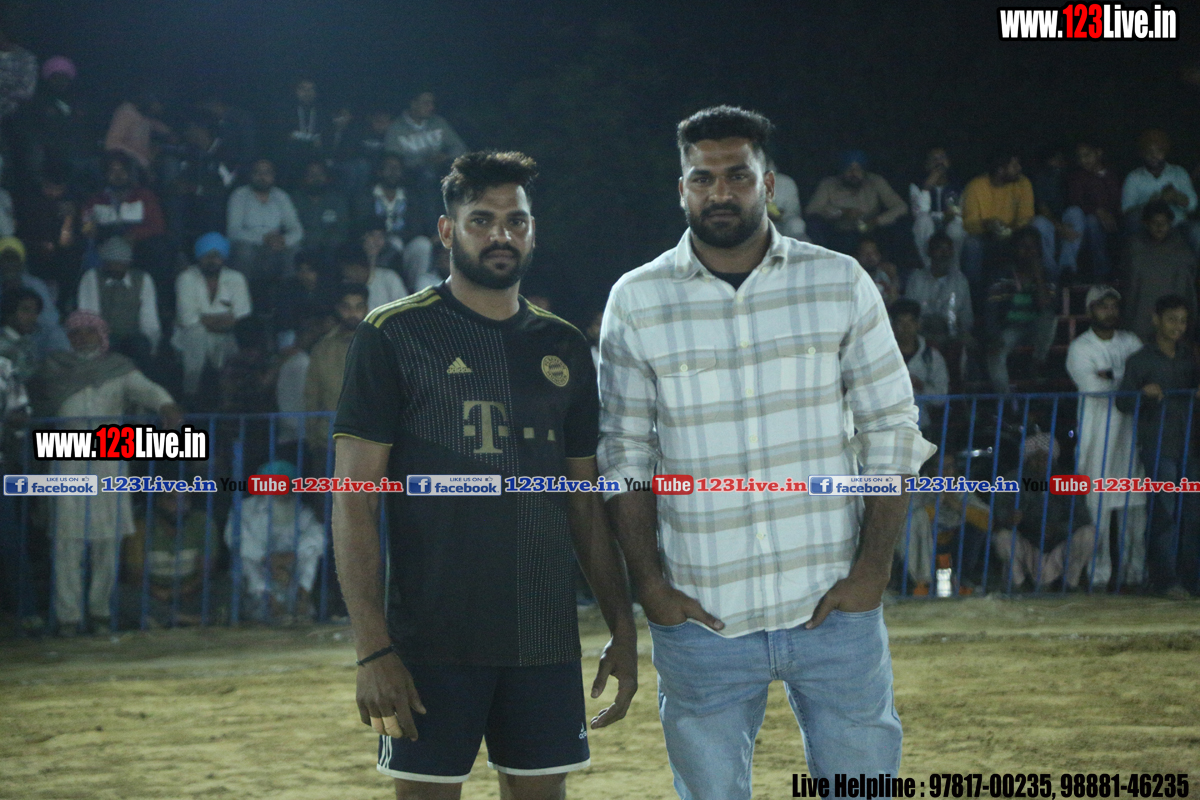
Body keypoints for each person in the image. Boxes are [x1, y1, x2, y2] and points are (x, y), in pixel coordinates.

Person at [599, 106, 934, 797]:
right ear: (682, 188)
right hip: (701, 617)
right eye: (703, 178)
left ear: (769, 184)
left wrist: (872, 572)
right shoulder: (636, 300)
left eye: (738, 176)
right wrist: (651, 588)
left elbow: (891, 431)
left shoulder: (839, 282)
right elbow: (625, 457)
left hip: (833, 606)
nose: (720, 192)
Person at [332, 150, 636, 797]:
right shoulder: (393, 334)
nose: (501, 235)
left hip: (545, 637)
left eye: (515, 221)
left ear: (532, 230)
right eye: (482, 220)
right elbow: (355, 500)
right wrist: (373, 649)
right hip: (431, 641)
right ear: (448, 231)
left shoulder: (564, 346)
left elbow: (583, 503)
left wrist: (623, 625)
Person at [30, 310, 181, 633]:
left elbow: (148, 390)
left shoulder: (119, 369)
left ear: (101, 334)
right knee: (66, 541)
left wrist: (166, 405)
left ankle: (100, 612)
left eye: (89, 331)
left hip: (108, 457)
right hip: (66, 456)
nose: (82, 337)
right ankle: (69, 617)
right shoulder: (54, 368)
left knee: (107, 540)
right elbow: (34, 401)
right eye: (75, 333)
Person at [1116, 295, 1200, 598]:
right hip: (1159, 444)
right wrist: (1142, 394)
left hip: (1190, 445)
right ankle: (1165, 580)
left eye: (1183, 320)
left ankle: (1191, 579)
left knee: (1192, 513)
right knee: (1165, 512)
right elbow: (1123, 402)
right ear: (1156, 320)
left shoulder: (1190, 359)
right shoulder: (1140, 360)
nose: (1178, 326)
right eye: (1172, 319)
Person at [1065, 286, 1147, 589]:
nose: (1109, 311)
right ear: (1090, 310)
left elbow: (1144, 377)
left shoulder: (1131, 341)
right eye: (1103, 306)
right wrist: (1127, 380)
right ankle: (1098, 577)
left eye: (1114, 306)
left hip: (1130, 437)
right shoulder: (1080, 348)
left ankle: (1134, 575)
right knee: (1097, 509)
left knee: (1134, 512)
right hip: (1097, 439)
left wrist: (1111, 376)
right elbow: (1092, 387)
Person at [991, 434, 1097, 591]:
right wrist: (1010, 518)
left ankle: (1069, 583)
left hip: (1058, 549)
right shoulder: (1011, 480)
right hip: (1028, 547)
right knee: (1003, 538)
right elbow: (999, 514)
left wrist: (1058, 529)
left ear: (1053, 459)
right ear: (1027, 460)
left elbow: (1082, 518)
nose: (1041, 463)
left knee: (1089, 534)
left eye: (1045, 458)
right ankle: (1020, 585)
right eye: (1035, 458)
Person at [225, 459, 325, 621]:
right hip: (258, 569)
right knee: (245, 559)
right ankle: (268, 601)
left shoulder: (302, 511)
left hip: (290, 570)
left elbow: (317, 537)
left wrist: (291, 557)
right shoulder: (245, 509)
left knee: (311, 555)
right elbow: (236, 539)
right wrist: (266, 559)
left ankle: (302, 598)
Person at [172, 232, 252, 401]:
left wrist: (204, 319)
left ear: (223, 258)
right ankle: (190, 395)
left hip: (226, 336)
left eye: (216, 256)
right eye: (207, 255)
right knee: (196, 333)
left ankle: (229, 399)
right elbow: (187, 319)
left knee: (236, 338)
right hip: (191, 339)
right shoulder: (186, 278)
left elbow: (242, 318)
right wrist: (225, 319)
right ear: (199, 257)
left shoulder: (236, 278)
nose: (212, 260)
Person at [984, 227, 1058, 395]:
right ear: (1015, 249)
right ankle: (1006, 403)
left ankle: (1037, 364)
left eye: (1033, 247)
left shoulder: (1047, 275)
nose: (1028, 251)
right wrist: (994, 336)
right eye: (1023, 246)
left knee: (1049, 317)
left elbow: (1047, 307)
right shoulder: (1002, 275)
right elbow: (991, 310)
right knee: (994, 355)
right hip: (1010, 328)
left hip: (1036, 328)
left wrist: (1038, 277)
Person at [383, 91, 468, 237]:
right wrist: (423, 161)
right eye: (426, 103)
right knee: (427, 176)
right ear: (413, 104)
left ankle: (463, 226)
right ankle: (435, 232)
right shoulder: (396, 129)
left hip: (441, 169)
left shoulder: (438, 122)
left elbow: (460, 148)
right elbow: (392, 161)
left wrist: (446, 156)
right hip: (413, 174)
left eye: (432, 103)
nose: (431, 107)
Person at [75, 235, 160, 370]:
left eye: (121, 264)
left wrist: (152, 347)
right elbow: (89, 318)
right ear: (104, 263)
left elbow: (149, 320)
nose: (117, 268)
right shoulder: (91, 277)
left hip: (133, 337)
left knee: (141, 346)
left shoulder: (143, 279)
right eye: (113, 263)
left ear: (128, 263)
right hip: (102, 336)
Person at [226, 158, 304, 306]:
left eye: (267, 172)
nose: (262, 176)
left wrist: (284, 240)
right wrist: (264, 238)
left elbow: (296, 229)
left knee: (295, 249)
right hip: (250, 246)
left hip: (276, 246)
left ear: (273, 175)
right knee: (244, 251)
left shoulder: (281, 196)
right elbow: (233, 231)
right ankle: (241, 300)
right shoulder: (239, 195)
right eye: (258, 172)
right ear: (251, 175)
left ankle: (286, 301)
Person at [354, 154, 437, 290]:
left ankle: (416, 291)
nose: (393, 172)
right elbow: (361, 225)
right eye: (389, 168)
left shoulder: (411, 197)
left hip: (405, 244)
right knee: (393, 243)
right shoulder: (366, 196)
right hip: (378, 244)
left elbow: (418, 227)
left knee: (423, 244)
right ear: (379, 171)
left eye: (397, 168)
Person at [304, 282, 367, 460]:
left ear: (366, 308)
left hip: (371, 442)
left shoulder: (382, 345)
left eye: (359, 307)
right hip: (328, 442)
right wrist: (313, 440)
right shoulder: (322, 349)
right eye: (347, 307)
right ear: (338, 309)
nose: (353, 313)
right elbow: (312, 396)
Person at [961, 149, 1035, 299]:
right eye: (1014, 166)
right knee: (972, 244)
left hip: (1014, 233)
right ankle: (972, 294)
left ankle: (1040, 284)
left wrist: (1009, 229)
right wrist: (987, 224)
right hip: (984, 236)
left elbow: (1026, 217)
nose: (1019, 168)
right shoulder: (976, 186)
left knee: (1033, 233)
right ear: (1001, 170)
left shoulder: (1023, 183)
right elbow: (969, 224)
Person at [805, 149, 907, 254]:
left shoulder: (875, 181)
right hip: (840, 233)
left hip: (872, 231)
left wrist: (876, 221)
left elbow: (901, 207)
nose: (853, 173)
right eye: (849, 169)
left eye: (858, 169)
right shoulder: (828, 184)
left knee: (900, 227)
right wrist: (842, 212)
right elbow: (812, 211)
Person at [1124, 200, 1196, 343]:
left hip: (1174, 327)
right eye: (1154, 222)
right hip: (1140, 322)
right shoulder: (1135, 246)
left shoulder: (1181, 248)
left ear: (1170, 223)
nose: (1159, 227)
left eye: (1164, 223)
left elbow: (1188, 285)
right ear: (1146, 223)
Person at [1120, 129, 1197, 241]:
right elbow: (1127, 212)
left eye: (1158, 151)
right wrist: (1151, 203)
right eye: (1149, 152)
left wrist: (1176, 197)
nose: (1153, 156)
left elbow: (1193, 205)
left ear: (1165, 152)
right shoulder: (1133, 177)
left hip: (1177, 225)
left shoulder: (1178, 172)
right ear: (1142, 154)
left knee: (1196, 231)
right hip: (1146, 229)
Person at [904, 231, 973, 355]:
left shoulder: (960, 281)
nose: (944, 254)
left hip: (951, 338)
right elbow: (909, 313)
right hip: (922, 335)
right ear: (929, 252)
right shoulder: (916, 278)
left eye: (947, 250)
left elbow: (966, 317)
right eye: (939, 249)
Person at [0, 235, 70, 357]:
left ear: (21, 262)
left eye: (14, 259)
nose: (9, 264)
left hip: (35, 334)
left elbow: (50, 319)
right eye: (5, 259)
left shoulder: (35, 285)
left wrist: (29, 322)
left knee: (56, 334)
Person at [1064, 141, 1121, 280]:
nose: (1084, 160)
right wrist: (1097, 211)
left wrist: (1109, 214)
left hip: (1112, 221)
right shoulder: (1078, 177)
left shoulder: (1111, 174)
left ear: (1098, 153)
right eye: (1080, 157)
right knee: (1092, 221)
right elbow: (1076, 202)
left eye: (1087, 155)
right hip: (1087, 228)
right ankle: (1102, 273)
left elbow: (1117, 200)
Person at [891, 299, 948, 436]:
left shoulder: (931, 357)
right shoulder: (879, 355)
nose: (906, 328)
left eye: (910, 322)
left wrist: (920, 385)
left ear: (918, 324)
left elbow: (941, 398)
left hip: (920, 427)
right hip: (886, 428)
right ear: (892, 326)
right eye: (900, 322)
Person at [909, 146, 964, 268]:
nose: (939, 162)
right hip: (929, 226)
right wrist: (926, 188)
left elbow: (958, 214)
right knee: (923, 221)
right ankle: (929, 268)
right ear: (927, 165)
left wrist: (948, 217)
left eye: (942, 158)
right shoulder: (916, 185)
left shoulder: (957, 185)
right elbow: (919, 214)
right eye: (934, 159)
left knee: (957, 228)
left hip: (949, 224)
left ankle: (953, 269)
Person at [1029, 145, 1077, 283]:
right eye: (1055, 159)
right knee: (1039, 223)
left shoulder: (1068, 175)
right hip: (1048, 220)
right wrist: (1059, 227)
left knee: (1076, 213)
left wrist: (1064, 226)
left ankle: (1066, 268)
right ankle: (1051, 272)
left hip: (1064, 219)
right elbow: (1042, 208)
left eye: (1061, 159)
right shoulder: (1041, 177)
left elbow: (1074, 204)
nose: (1059, 162)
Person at [292, 159, 349, 262]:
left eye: (320, 174)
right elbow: (291, 228)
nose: (316, 178)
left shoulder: (337, 200)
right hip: (302, 249)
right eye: (311, 174)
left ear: (327, 177)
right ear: (304, 177)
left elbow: (342, 229)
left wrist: (324, 245)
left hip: (330, 251)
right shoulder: (295, 200)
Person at [103, 91, 171, 172]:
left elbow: (156, 125)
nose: (160, 109)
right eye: (159, 105)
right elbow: (111, 143)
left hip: (141, 166)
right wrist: (141, 159)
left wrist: (169, 134)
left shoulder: (146, 116)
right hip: (124, 167)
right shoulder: (126, 111)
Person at [337, 241, 405, 313]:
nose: (346, 275)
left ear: (357, 267)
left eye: (349, 271)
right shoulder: (345, 285)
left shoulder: (389, 278)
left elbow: (403, 306)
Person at [0, 286, 43, 385]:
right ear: (9, 312)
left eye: (35, 311)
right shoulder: (3, 346)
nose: (32, 316)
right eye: (25, 310)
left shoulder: (28, 343)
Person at [766, 159, 808, 240]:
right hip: (757, 224)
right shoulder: (748, 183)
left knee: (797, 224)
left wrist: (780, 215)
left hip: (783, 224)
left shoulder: (786, 182)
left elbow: (793, 211)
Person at [854, 237, 900, 306]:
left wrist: (893, 279)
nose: (870, 257)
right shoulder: (852, 277)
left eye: (873, 253)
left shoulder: (886, 274)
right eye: (864, 253)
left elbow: (894, 303)